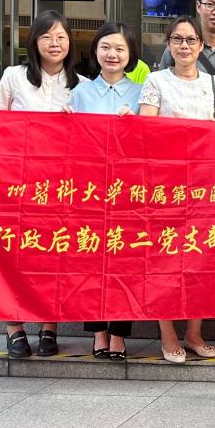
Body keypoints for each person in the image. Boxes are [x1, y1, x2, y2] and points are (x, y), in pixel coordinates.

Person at [0, 10, 86, 358]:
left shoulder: (81, 84)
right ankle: (14, 327)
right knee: (14, 253)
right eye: (47, 36)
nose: (55, 43)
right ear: (34, 42)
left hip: (60, 185)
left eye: (61, 37)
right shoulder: (14, 77)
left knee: (53, 254)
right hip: (17, 182)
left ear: (70, 43)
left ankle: (49, 327)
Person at [139, 17, 215, 363]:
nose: (185, 46)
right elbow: (146, 129)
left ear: (201, 45)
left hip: (205, 185)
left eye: (191, 40)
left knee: (200, 258)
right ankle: (167, 332)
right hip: (166, 183)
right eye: (177, 39)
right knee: (164, 257)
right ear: (168, 44)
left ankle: (194, 332)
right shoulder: (156, 81)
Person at [66, 22, 143, 362]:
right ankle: (98, 331)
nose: (113, 54)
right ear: (95, 51)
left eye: (120, 49)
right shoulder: (79, 93)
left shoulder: (142, 93)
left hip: (129, 190)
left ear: (131, 54)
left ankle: (119, 334)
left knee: (126, 260)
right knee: (92, 259)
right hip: (91, 190)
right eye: (106, 47)